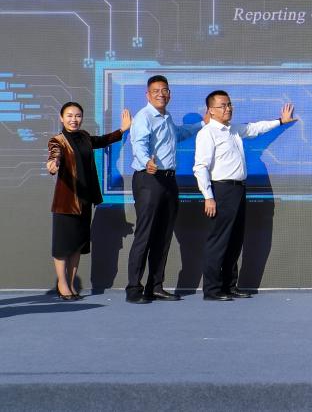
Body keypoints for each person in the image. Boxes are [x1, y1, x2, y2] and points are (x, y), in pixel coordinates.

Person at [193, 91, 296, 301]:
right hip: (221, 191)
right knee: (218, 241)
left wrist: (280, 121)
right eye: (222, 105)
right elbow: (200, 167)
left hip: (238, 190)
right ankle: (212, 289)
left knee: (234, 240)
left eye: (229, 104)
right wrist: (208, 197)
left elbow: (255, 129)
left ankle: (229, 286)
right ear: (211, 110)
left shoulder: (233, 130)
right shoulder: (207, 133)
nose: (228, 108)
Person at [125, 75, 203, 304]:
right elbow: (138, 143)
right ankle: (134, 288)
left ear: (170, 93)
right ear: (148, 95)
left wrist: (202, 124)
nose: (161, 94)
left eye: (165, 90)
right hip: (149, 178)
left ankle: (155, 286)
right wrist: (146, 161)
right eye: (156, 91)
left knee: (163, 236)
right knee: (145, 234)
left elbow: (178, 134)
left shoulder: (167, 117)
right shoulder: (144, 117)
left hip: (169, 180)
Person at [45, 103, 131, 300]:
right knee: (62, 246)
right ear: (61, 118)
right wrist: (54, 163)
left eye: (78, 115)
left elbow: (102, 140)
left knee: (78, 245)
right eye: (69, 115)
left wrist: (122, 130)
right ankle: (62, 284)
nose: (74, 119)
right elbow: (55, 154)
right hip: (66, 203)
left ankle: (71, 283)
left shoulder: (84, 137)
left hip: (84, 201)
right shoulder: (57, 140)